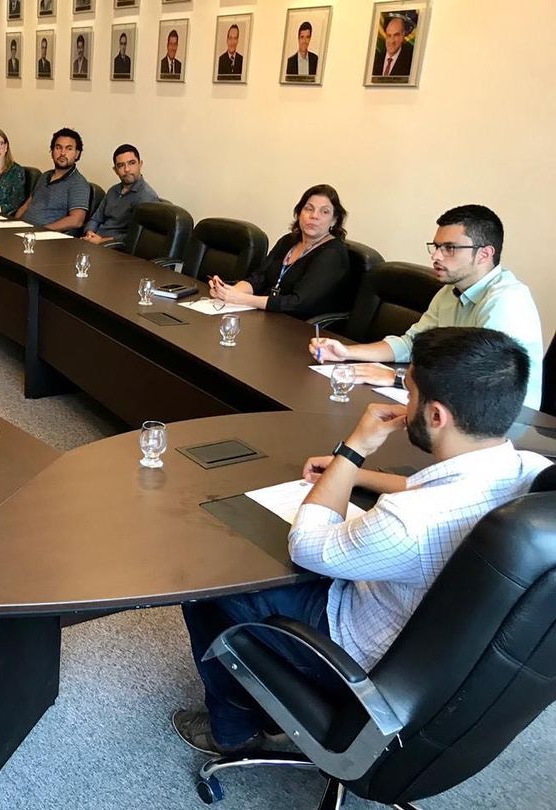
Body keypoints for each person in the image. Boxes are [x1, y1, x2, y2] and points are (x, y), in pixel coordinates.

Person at [174, 326, 552, 755]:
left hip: (361, 656)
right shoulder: (530, 469)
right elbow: (436, 488)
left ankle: (234, 731)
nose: (405, 404)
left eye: (410, 394)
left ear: (436, 416)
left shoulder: (407, 522)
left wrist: (353, 449)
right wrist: (354, 475)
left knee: (211, 585)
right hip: (451, 669)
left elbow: (307, 544)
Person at [309, 205, 545, 411]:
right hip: (451, 405)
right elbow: (412, 343)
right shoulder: (449, 292)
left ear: (484, 254)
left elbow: (476, 381)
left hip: (503, 421)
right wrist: (347, 353)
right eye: (436, 246)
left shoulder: (506, 302)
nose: (436, 256)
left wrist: (398, 378)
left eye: (449, 248)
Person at [209, 184, 351, 319]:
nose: (314, 216)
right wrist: (229, 292)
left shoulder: (333, 253)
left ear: (334, 220)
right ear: (299, 213)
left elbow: (297, 303)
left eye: (324, 212)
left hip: (300, 326)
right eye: (309, 209)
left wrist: (244, 299)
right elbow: (259, 278)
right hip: (268, 316)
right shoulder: (288, 241)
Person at [14, 128, 90, 234]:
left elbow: (76, 220)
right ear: (52, 151)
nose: (62, 153)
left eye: (69, 149)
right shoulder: (44, 176)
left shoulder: (79, 184)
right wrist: (12, 225)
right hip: (22, 231)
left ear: (77, 154)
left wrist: (41, 231)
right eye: (58, 148)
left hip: (44, 237)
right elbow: (25, 206)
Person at [82, 144, 159, 244]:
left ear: (140, 164)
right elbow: (96, 219)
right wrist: (89, 233)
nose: (126, 169)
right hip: (93, 241)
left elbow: (137, 236)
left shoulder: (146, 196)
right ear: (115, 170)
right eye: (121, 165)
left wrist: (102, 241)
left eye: (131, 163)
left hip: (114, 247)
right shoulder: (113, 191)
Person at [372, 13, 414, 78]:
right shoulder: (375, 60)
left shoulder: (411, 61)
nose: (392, 41)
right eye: (389, 35)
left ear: (403, 35)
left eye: (396, 35)